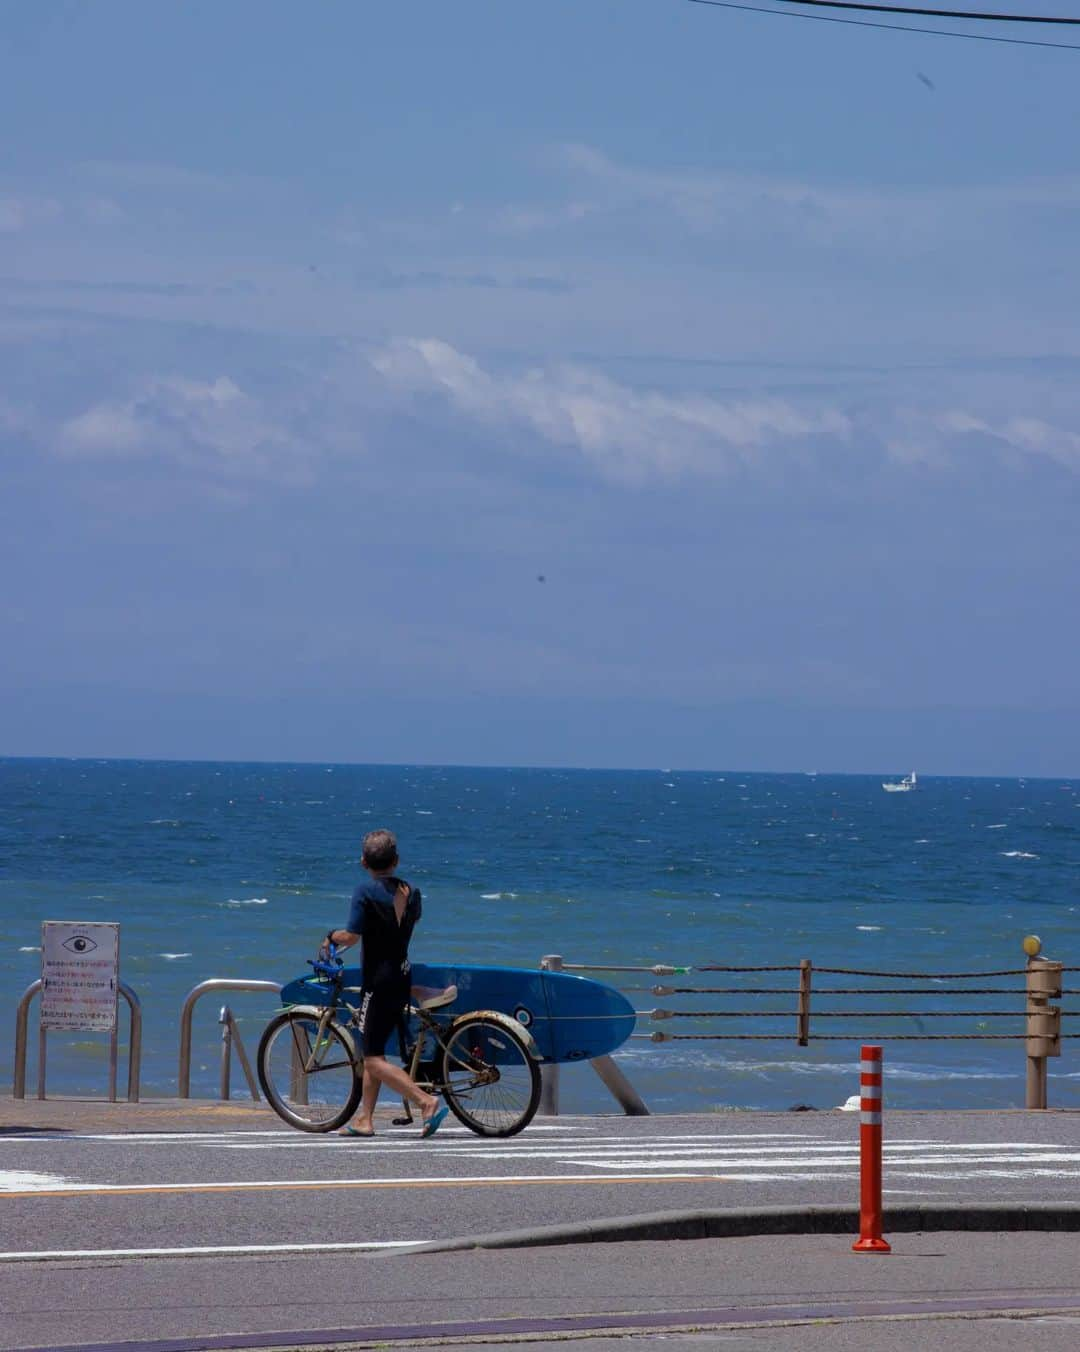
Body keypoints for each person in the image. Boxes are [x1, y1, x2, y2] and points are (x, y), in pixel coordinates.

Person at [321, 828, 447, 1139]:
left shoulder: (365, 892)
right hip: (401, 976)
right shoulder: (410, 891)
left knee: (373, 1060)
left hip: (378, 982)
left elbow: (351, 936)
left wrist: (329, 937)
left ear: (364, 861)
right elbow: (400, 927)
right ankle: (364, 1118)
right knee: (373, 1049)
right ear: (397, 860)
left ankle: (425, 1101)